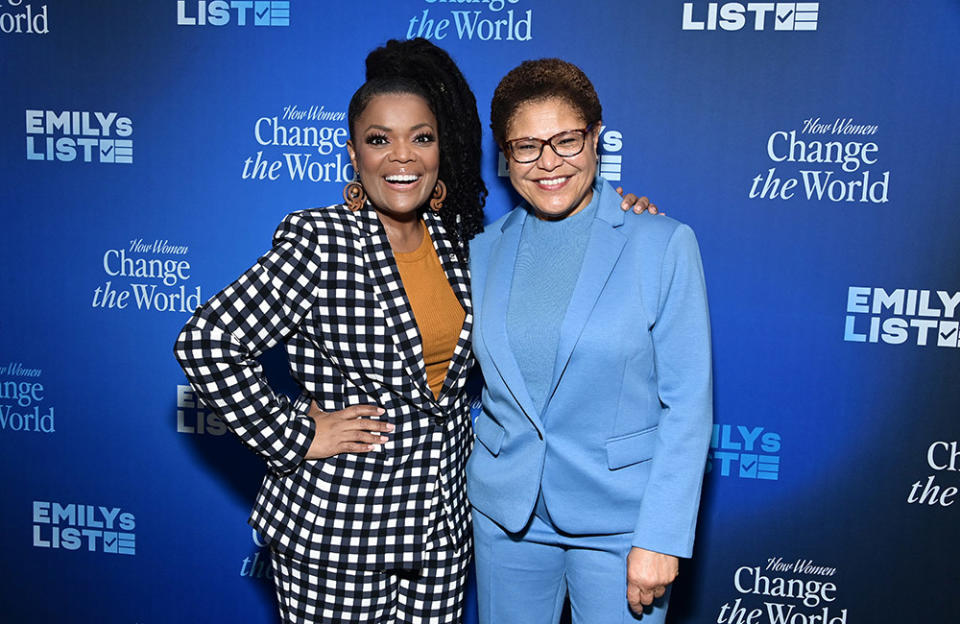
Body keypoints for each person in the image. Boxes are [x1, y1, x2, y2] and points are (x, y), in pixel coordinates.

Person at [175, 40, 654, 623]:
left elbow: (553, 260)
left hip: (441, 537)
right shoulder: (320, 241)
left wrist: (620, 220)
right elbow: (205, 342)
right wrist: (296, 434)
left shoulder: (462, 245)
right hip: (338, 534)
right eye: (379, 139)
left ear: (440, 148)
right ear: (354, 154)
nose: (402, 157)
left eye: (420, 137)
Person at [467, 58, 713, 624]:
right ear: (505, 155)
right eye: (526, 146)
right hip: (508, 519)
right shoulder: (483, 250)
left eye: (567, 141)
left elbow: (688, 404)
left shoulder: (661, 243)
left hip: (624, 525)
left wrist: (663, 536)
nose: (548, 162)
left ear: (596, 139)